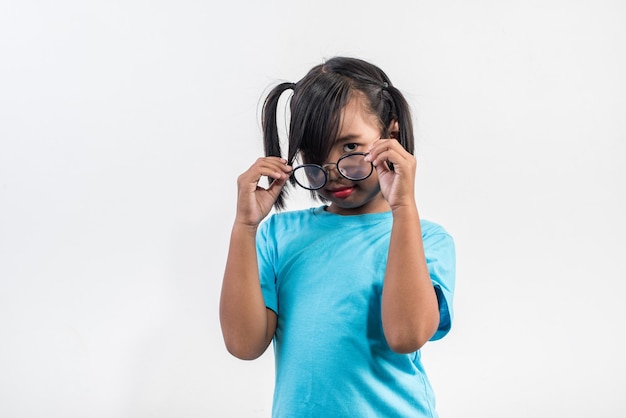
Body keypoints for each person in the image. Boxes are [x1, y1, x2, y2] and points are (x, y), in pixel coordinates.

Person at [220, 56, 456, 417]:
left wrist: (403, 205)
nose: (333, 171)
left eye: (349, 147)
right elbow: (244, 344)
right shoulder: (279, 235)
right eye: (315, 153)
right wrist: (245, 227)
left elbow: (406, 335)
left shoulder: (427, 239)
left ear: (390, 136)